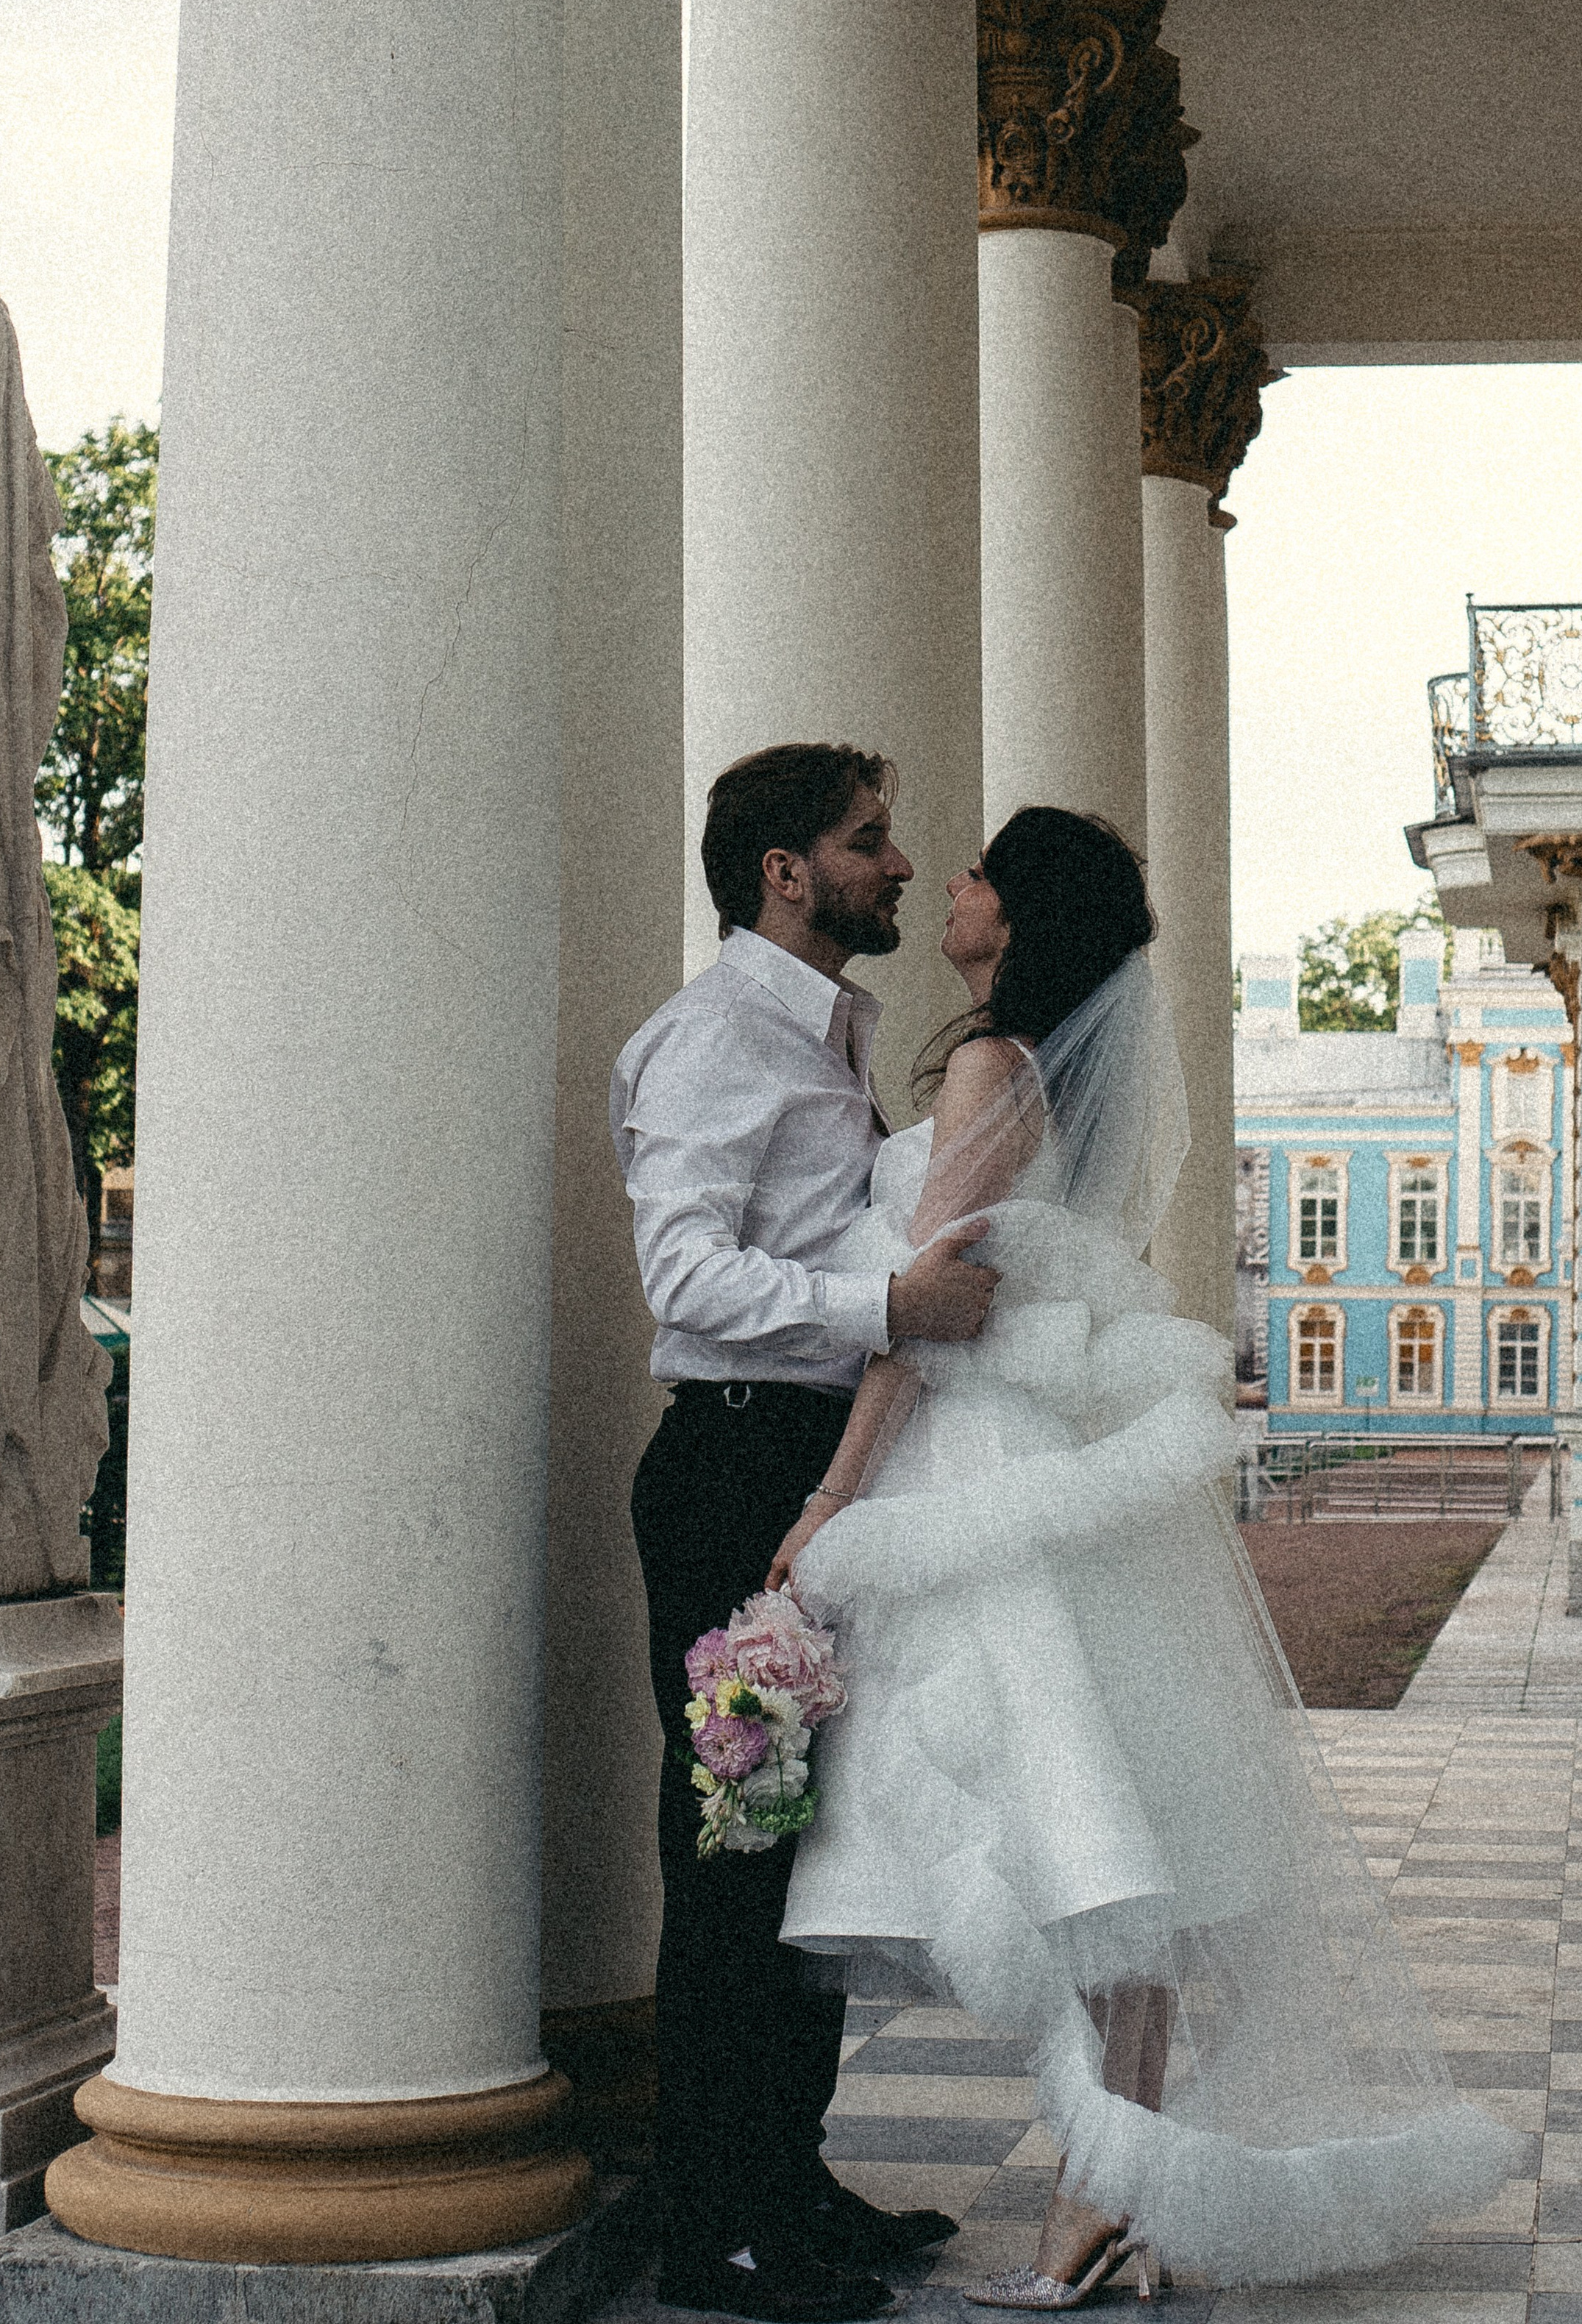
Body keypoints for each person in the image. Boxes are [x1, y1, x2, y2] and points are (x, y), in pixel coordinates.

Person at [773, 807, 1531, 2305]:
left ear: (1022, 913)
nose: (951, 887)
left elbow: (932, 1308)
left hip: (975, 1471)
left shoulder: (996, 1062)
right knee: (1109, 1845)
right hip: (1042, 1468)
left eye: (979, 872)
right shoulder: (1052, 1074)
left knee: (1079, 1837)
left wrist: (833, 1504)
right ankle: (1104, 2195)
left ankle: (1101, 2196)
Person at [616, 742, 1002, 2324]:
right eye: (868, 842)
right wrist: (885, 1304)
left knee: (791, 1848)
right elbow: (684, 1278)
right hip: (730, 1476)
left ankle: (787, 2176)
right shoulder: (717, 1038)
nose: (900, 865)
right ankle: (714, 2228)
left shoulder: (825, 1028)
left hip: (803, 1472)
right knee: (729, 1859)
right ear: (785, 870)